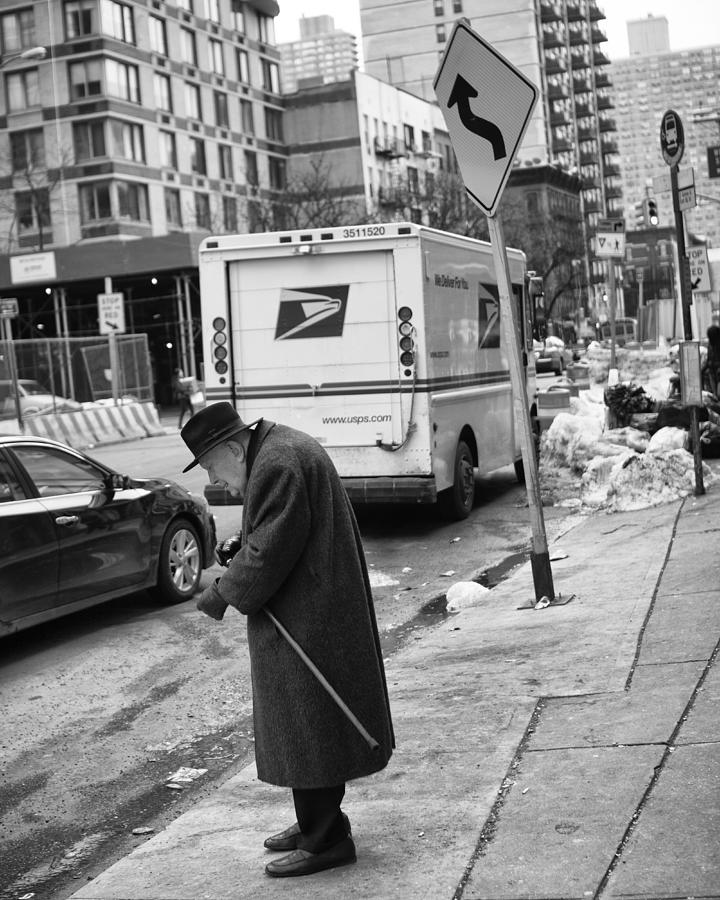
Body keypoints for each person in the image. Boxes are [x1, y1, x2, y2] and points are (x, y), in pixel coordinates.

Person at [180, 403, 394, 878]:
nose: (219, 483)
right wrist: (242, 546)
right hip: (312, 608)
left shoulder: (276, 462)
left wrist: (220, 593)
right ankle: (317, 820)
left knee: (309, 722)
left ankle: (327, 841)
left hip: (310, 618)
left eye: (214, 468)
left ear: (234, 448)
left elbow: (272, 549)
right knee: (308, 722)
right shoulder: (277, 451)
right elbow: (278, 529)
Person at [703, 325, 720, 396]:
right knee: (715, 394)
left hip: (718, 371)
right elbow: (709, 358)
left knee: (719, 394)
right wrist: (702, 369)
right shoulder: (710, 344)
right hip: (712, 371)